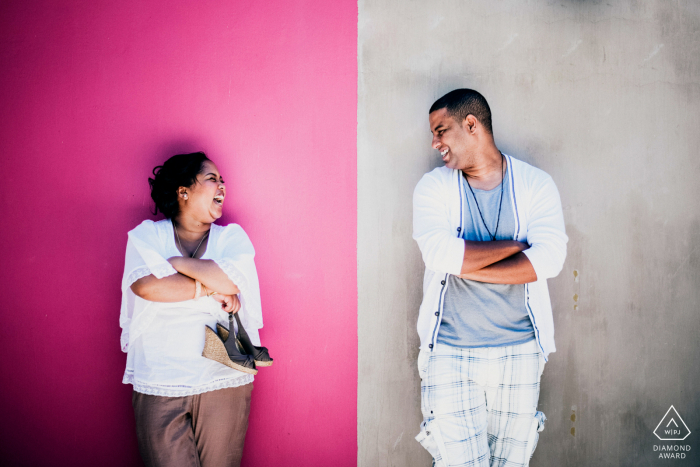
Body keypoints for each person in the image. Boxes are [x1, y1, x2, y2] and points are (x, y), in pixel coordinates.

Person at [412, 89, 567, 466]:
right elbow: (439, 254)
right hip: (450, 354)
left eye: (441, 130)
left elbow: (550, 259)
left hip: (520, 353)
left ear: (471, 125)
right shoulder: (434, 188)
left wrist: (470, 263)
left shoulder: (535, 185)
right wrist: (515, 245)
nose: (435, 143)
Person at [119, 151, 266, 467]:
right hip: (159, 380)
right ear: (182, 191)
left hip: (222, 378)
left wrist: (176, 263)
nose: (222, 186)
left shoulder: (231, 237)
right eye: (212, 179)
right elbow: (147, 287)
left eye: (223, 181)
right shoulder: (148, 235)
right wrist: (210, 286)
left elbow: (232, 279)